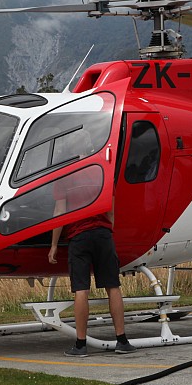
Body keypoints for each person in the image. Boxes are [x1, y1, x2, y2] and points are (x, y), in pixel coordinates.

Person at [48, 131, 136, 357]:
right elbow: (110, 209)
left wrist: (54, 245)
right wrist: (108, 230)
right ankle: (122, 340)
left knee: (81, 289)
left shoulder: (65, 174)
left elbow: (60, 211)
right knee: (112, 286)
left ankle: (81, 344)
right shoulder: (101, 170)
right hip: (103, 234)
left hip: (79, 236)